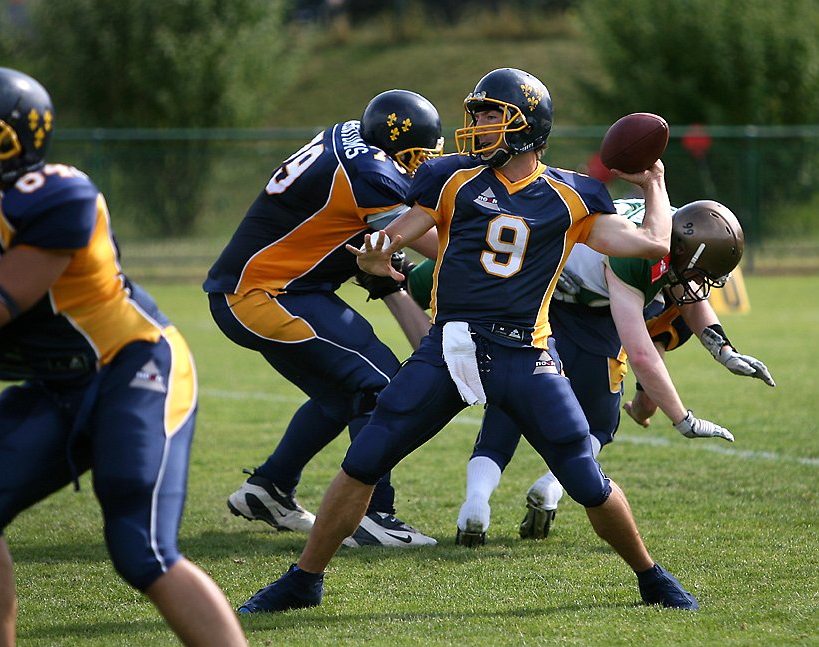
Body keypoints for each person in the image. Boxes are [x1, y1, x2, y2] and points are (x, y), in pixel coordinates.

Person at [238, 67, 700, 613]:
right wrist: (377, 256)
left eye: (490, 115)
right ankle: (303, 580)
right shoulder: (451, 178)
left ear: (528, 125)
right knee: (364, 459)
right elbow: (398, 233)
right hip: (451, 347)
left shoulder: (574, 196)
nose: (477, 125)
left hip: (525, 353)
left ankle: (651, 577)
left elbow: (653, 244)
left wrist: (653, 183)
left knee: (585, 477)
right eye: (477, 114)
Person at [0, 67, 246, 647]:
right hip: (57, 384)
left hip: (133, 364)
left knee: (141, 548)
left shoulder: (56, 196)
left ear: (14, 145)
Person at [452, 198, 775, 545]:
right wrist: (683, 419)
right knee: (597, 422)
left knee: (512, 401)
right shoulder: (640, 255)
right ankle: (550, 486)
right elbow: (643, 354)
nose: (700, 284)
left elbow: (690, 299)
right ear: (683, 252)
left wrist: (725, 352)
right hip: (549, 301)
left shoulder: (675, 228)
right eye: (700, 274)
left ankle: (477, 504)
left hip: (543, 293)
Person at [203, 89, 444, 547]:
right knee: (380, 382)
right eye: (417, 156)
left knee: (342, 396)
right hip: (266, 295)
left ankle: (269, 488)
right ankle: (373, 515)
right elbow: (441, 248)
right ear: (395, 147)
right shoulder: (372, 174)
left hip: (271, 290)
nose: (419, 166)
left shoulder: (351, 134)